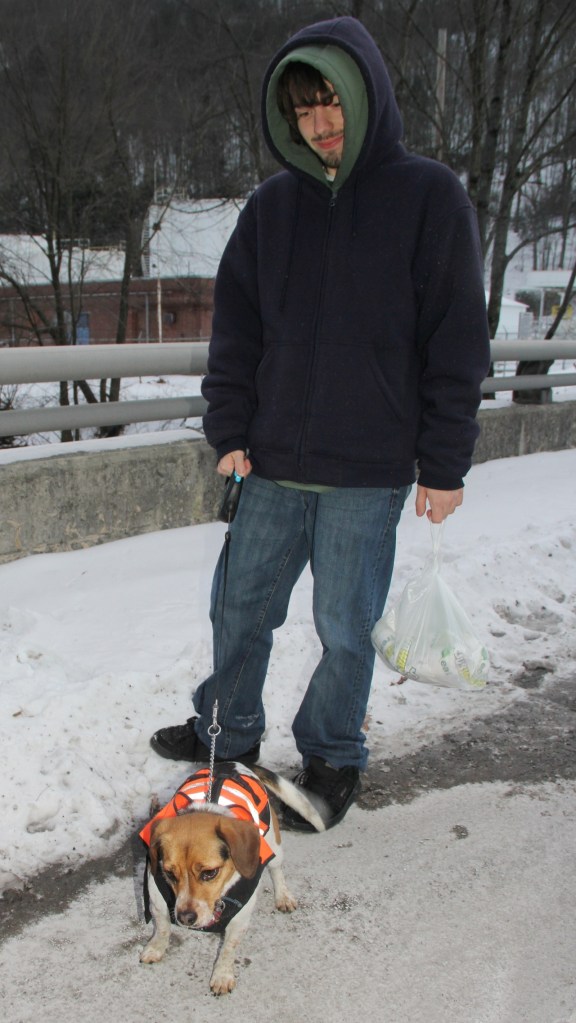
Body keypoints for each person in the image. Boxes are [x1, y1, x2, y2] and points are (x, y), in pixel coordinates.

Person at [150, 16, 490, 830]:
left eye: (332, 101)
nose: (319, 123)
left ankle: (334, 755)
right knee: (238, 607)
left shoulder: (429, 198)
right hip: (270, 464)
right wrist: (230, 428)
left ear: (367, 95)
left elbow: (457, 342)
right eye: (302, 109)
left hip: (367, 474)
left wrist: (445, 463)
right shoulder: (272, 209)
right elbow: (237, 331)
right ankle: (226, 730)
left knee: (345, 627)